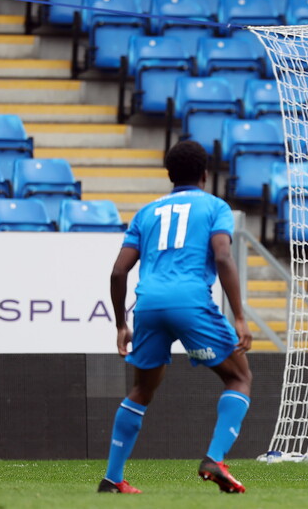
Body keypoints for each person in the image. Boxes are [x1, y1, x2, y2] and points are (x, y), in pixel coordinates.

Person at [98, 141, 253, 494]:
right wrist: (240, 317)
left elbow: (118, 272)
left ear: (169, 175)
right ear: (204, 175)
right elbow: (223, 257)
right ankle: (215, 458)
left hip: (148, 305)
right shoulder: (215, 207)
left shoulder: (146, 213)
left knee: (142, 388)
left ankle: (112, 478)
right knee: (240, 377)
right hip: (190, 301)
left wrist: (121, 324)